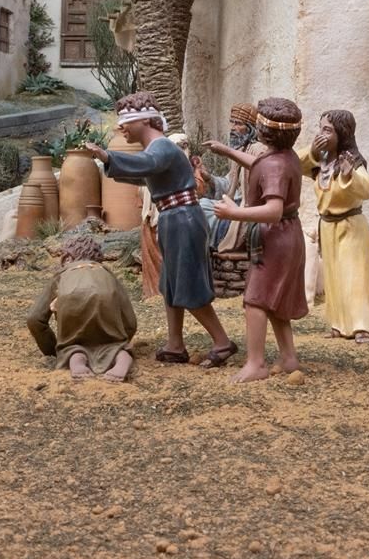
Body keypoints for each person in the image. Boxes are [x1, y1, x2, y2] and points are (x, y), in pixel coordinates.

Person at [89, 91, 238, 367]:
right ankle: (175, 344)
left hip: (182, 219)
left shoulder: (162, 149)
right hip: (174, 218)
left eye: (126, 121)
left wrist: (109, 157)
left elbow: (148, 165)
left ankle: (222, 342)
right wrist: (109, 163)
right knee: (170, 284)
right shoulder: (154, 151)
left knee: (187, 283)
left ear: (145, 121)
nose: (121, 127)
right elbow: (143, 172)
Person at [206, 97, 309, 383]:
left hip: (275, 239)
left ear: (264, 131)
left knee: (256, 301)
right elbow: (260, 163)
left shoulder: (276, 164)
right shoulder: (284, 156)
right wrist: (228, 151)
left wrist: (234, 212)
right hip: (288, 236)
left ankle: (256, 363)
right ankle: (288, 358)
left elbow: (274, 211)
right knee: (274, 299)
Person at [297, 109, 369, 342]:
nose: (321, 133)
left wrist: (349, 175)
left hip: (350, 226)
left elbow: (366, 188)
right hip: (327, 226)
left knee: (354, 277)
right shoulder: (321, 160)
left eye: (328, 130)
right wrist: (314, 151)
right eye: (320, 128)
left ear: (341, 133)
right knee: (334, 278)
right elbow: (295, 165)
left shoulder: (350, 160)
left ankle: (363, 326)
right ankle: (339, 323)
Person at [26, 234, 138, 383]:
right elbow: (130, 321)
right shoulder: (108, 275)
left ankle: (73, 355)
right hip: (107, 311)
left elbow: (34, 319)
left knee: (72, 346)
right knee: (115, 346)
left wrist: (53, 349)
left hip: (71, 309)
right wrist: (122, 339)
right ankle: (120, 355)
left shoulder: (62, 275)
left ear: (67, 258)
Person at [212, 103, 267, 249]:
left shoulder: (258, 149)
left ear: (250, 128)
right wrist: (209, 180)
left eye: (238, 124)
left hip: (251, 209)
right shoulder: (241, 148)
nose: (233, 128)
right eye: (232, 122)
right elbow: (231, 183)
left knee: (211, 220)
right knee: (203, 207)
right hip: (238, 202)